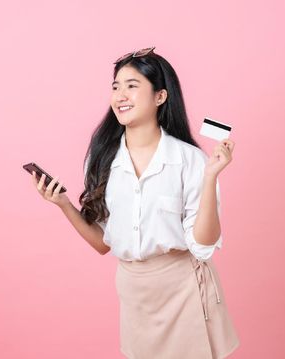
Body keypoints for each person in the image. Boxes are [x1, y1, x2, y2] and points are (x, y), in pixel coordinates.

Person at [31, 47, 240, 359]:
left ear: (160, 97)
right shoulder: (101, 160)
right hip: (134, 294)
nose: (120, 95)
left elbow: (203, 244)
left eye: (132, 85)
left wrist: (210, 177)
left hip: (184, 292)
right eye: (116, 86)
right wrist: (63, 204)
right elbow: (103, 243)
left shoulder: (190, 159)